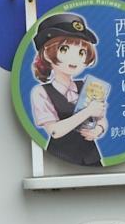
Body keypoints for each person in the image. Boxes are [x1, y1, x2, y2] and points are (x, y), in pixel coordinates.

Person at [28, 12, 109, 167]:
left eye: (81, 52)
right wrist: (87, 111)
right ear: (47, 53)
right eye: (65, 49)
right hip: (60, 159)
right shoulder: (41, 92)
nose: (75, 59)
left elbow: (101, 118)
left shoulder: (88, 86)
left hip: (92, 158)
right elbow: (54, 131)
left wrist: (98, 130)